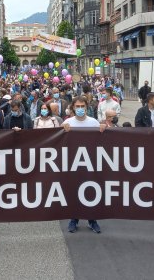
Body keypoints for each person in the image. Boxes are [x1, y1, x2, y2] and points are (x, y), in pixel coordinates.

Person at [61, 96, 107, 234]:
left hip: (91, 163)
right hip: (73, 163)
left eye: (82, 106)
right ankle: (74, 219)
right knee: (74, 190)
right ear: (73, 108)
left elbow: (102, 141)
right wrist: (62, 130)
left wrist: (104, 128)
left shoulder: (93, 122)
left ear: (87, 107)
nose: (80, 109)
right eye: (77, 106)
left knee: (91, 190)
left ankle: (92, 219)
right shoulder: (68, 122)